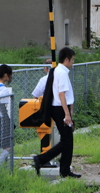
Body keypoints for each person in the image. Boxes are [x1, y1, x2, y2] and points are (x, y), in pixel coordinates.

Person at [33, 47, 79, 178]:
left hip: (57, 108)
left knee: (68, 140)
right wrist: (67, 114)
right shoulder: (62, 73)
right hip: (60, 109)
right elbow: (62, 94)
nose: (73, 63)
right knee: (66, 141)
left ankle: (65, 171)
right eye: (72, 60)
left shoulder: (56, 70)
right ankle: (41, 159)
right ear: (66, 59)